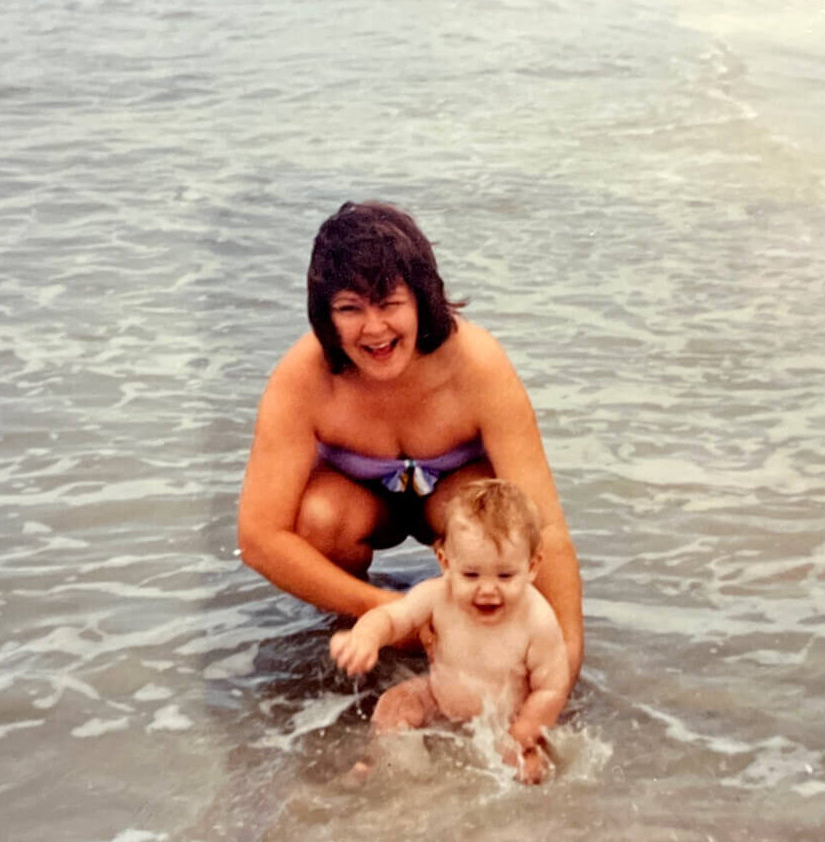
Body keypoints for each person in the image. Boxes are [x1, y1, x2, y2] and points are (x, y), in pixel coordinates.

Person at [235, 201, 584, 682]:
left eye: (389, 304)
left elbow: (546, 531)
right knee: (318, 518)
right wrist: (385, 610)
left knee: (503, 521)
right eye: (349, 309)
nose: (374, 329)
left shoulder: (476, 364)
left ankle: (483, 624)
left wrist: (564, 665)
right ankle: (351, 627)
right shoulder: (304, 377)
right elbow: (259, 539)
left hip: (451, 501)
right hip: (356, 510)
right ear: (326, 317)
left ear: (421, 298)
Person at [328, 479, 569, 784]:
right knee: (394, 703)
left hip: (506, 719)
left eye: (506, 575)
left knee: (531, 769)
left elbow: (551, 688)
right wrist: (367, 637)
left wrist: (522, 732)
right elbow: (393, 618)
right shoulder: (436, 595)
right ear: (445, 562)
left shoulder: (537, 620)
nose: (487, 590)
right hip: (440, 698)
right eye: (470, 574)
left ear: (533, 567)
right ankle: (381, 766)